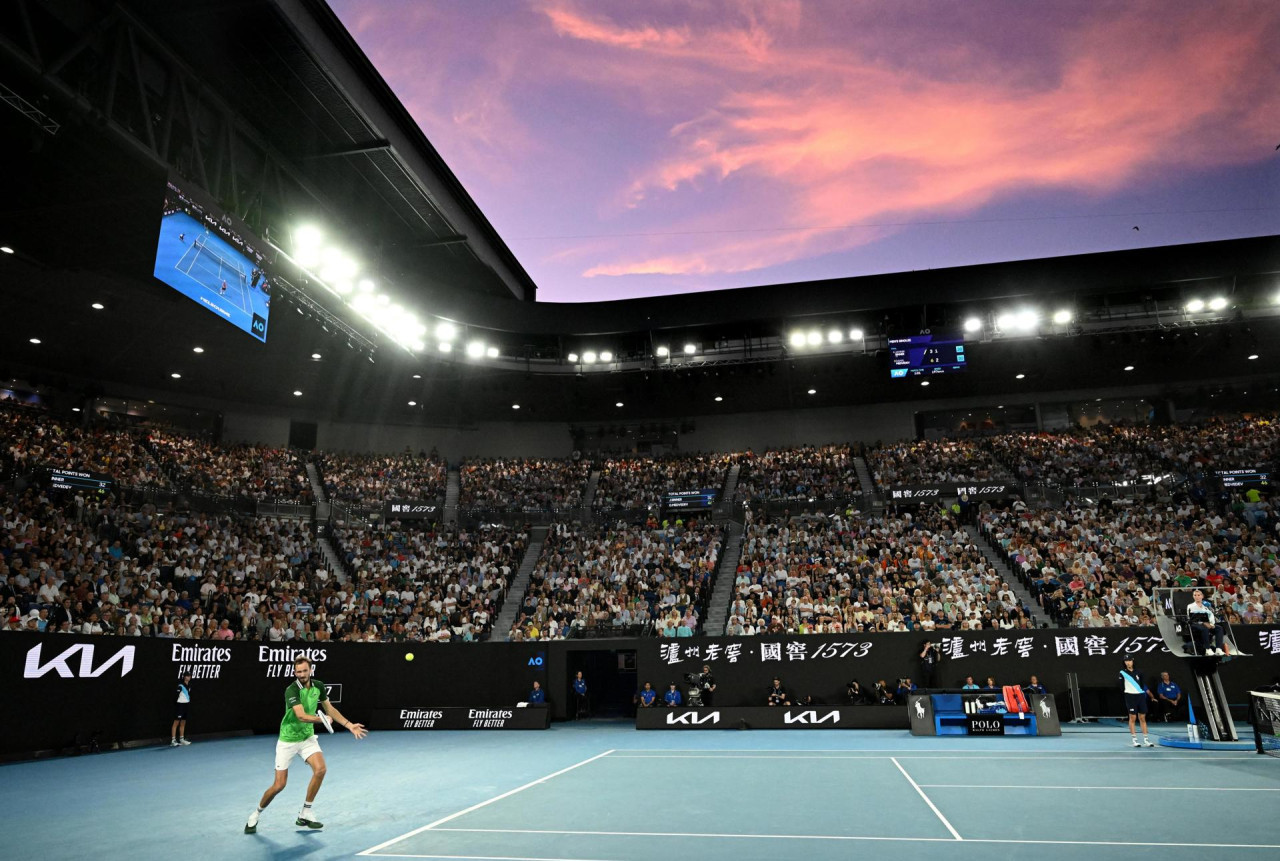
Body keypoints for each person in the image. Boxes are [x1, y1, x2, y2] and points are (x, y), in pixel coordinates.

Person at [245, 657, 367, 834]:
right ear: (295, 673)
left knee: (320, 770)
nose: (301, 674)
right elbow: (301, 715)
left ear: (311, 670)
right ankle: (255, 814)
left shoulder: (318, 686)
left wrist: (348, 725)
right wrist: (322, 720)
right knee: (279, 785)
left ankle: (305, 812)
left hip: (307, 738)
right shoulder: (292, 690)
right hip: (288, 740)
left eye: (304, 671)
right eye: (298, 672)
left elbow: (330, 708)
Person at [1119, 656, 1156, 747]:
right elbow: (1121, 686)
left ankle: (1146, 739)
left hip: (1140, 696)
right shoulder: (1122, 673)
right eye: (1126, 661)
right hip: (1130, 696)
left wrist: (1139, 692)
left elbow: (1142, 684)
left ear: (1133, 661)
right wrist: (1128, 691)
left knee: (1142, 718)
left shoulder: (1139, 672)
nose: (1128, 662)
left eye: (1129, 660)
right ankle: (1134, 740)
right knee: (1132, 718)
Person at [1186, 589, 1230, 656]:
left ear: (1202, 596)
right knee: (1205, 628)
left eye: (1198, 595)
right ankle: (1208, 649)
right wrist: (1203, 623)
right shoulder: (1190, 606)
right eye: (1195, 595)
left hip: (1207, 624)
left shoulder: (1205, 607)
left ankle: (1218, 649)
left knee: (1219, 628)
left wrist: (1212, 624)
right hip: (1194, 625)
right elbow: (1193, 618)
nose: (1197, 597)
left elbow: (1211, 616)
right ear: (1193, 596)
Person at [171, 672, 193, 747]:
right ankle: (173, 740)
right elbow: (175, 696)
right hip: (180, 705)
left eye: (190, 676)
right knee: (176, 722)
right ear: (184, 677)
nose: (189, 677)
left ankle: (181, 739)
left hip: (186, 705)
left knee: (183, 722)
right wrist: (177, 705)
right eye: (187, 676)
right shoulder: (180, 686)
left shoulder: (189, 686)